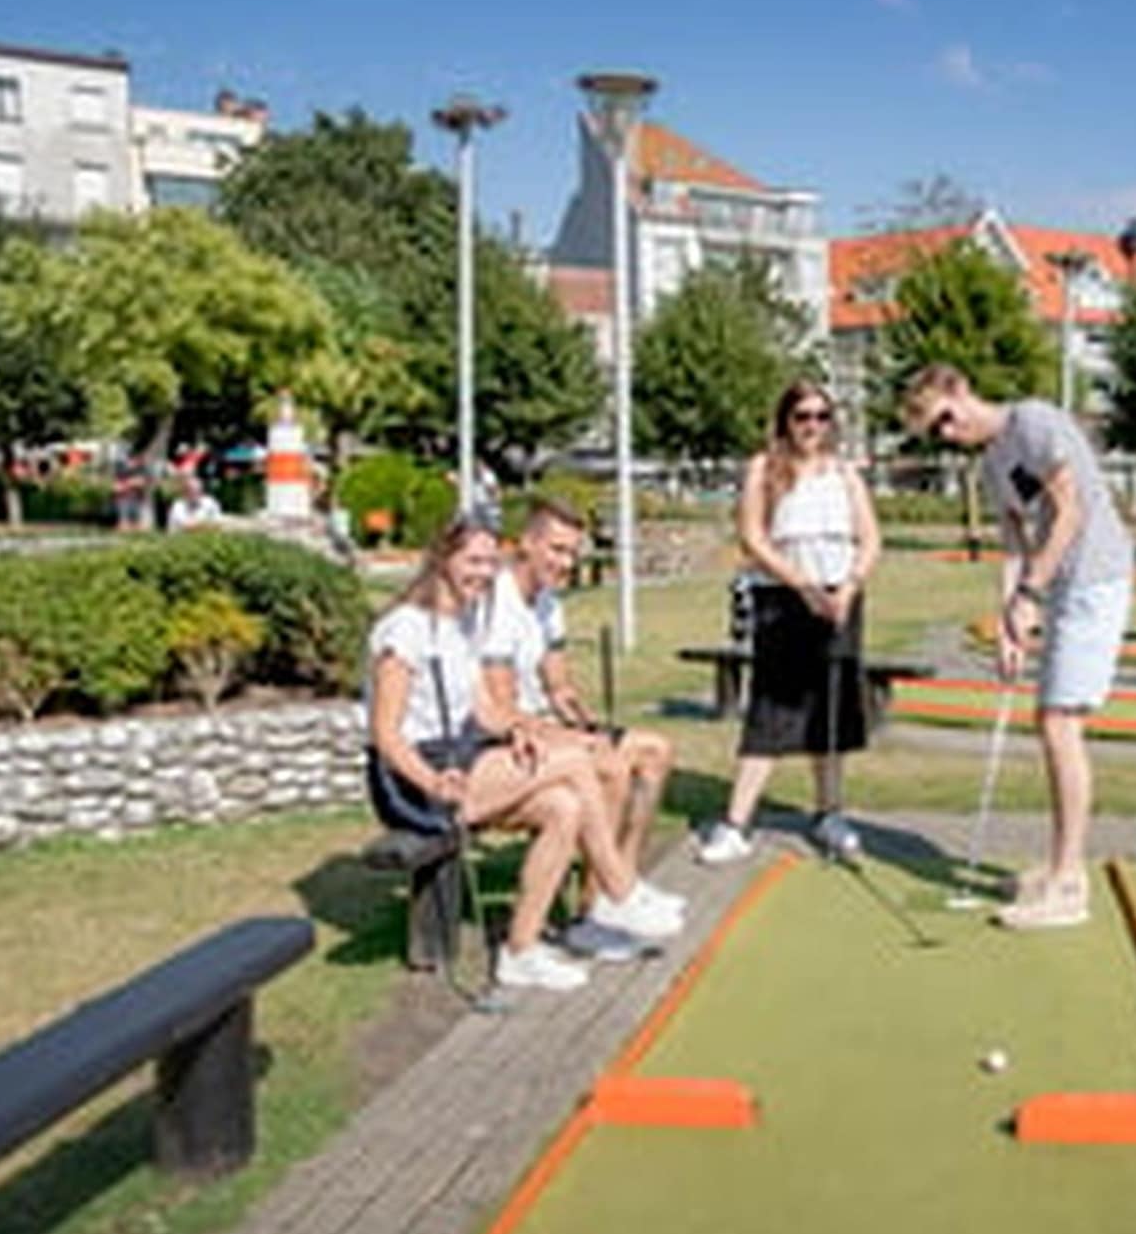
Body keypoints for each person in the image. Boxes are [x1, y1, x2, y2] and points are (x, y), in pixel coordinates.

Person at [367, 516, 686, 992]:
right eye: (473, 561)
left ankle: (520, 952)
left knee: (565, 805)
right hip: (415, 778)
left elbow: (483, 710)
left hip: (462, 756)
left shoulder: (464, 622)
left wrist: (518, 727)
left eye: (490, 563)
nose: (482, 573)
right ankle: (619, 890)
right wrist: (433, 782)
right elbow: (386, 736)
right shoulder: (405, 629)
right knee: (577, 763)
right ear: (442, 559)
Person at [904, 363, 1134, 930]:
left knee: (1059, 723)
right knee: (1050, 721)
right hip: (1059, 586)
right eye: (936, 435)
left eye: (946, 421)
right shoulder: (991, 465)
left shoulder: (1033, 422)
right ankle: (1060, 867)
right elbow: (1016, 543)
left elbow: (1069, 512)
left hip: (1094, 578)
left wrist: (1031, 594)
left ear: (960, 392)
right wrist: (1009, 620)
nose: (947, 436)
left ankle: (1068, 882)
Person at [696, 381, 882, 865]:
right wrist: (802, 586)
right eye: (802, 417)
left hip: (839, 599)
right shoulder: (765, 469)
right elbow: (752, 537)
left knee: (831, 709)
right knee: (771, 708)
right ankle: (736, 823)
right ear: (785, 420)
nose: (812, 427)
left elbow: (870, 539)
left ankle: (829, 813)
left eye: (822, 417)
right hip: (782, 598)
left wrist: (849, 586)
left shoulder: (845, 474)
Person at [484, 498, 678, 959]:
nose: (565, 562)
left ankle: (619, 888)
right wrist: (580, 741)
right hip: (509, 736)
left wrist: (586, 723)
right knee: (606, 766)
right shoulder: (496, 601)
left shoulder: (549, 603)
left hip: (548, 725)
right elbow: (502, 705)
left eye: (572, 552)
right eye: (555, 549)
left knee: (655, 751)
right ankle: (598, 909)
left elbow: (558, 684)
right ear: (526, 544)